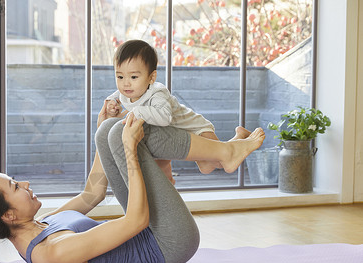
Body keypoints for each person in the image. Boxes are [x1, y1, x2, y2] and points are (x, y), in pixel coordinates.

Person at [0, 101, 265, 263]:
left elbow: (92, 193)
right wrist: (129, 151)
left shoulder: (41, 226)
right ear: (8, 214)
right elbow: (135, 222)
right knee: (125, 135)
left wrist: (99, 132)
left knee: (111, 130)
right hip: (169, 243)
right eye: (15, 186)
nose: (24, 183)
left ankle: (221, 154)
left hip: (150, 228)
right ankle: (223, 154)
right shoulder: (53, 253)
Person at [105, 39, 252, 184]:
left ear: (152, 77)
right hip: (176, 135)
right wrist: (112, 102)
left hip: (196, 129)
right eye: (120, 76)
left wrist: (138, 112)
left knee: (220, 163)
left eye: (134, 77)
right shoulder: (127, 91)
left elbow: (164, 117)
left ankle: (241, 137)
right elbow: (117, 96)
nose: (126, 83)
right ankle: (168, 183)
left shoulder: (157, 94)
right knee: (203, 167)